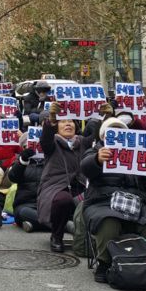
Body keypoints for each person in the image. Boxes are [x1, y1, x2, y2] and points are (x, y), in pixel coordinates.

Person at [81, 117, 146, 283]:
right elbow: (85, 167)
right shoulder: (96, 151)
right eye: (111, 132)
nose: (116, 136)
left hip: (135, 203)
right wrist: (97, 160)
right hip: (102, 202)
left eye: (120, 132)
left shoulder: (138, 153)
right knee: (108, 221)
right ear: (103, 136)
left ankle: (145, 260)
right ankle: (105, 263)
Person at [37, 103, 93, 252]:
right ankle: (56, 236)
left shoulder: (82, 142)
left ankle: (87, 237)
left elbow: (99, 135)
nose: (68, 123)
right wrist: (51, 121)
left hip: (81, 185)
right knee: (63, 200)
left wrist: (105, 116)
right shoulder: (52, 143)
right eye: (63, 121)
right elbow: (45, 139)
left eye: (70, 121)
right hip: (56, 186)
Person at [8, 132, 45, 232]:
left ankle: (35, 224)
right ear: (23, 148)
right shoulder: (19, 161)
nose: (32, 149)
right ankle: (61, 226)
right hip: (25, 204)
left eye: (36, 145)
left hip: (46, 204)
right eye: (27, 146)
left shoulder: (50, 161)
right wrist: (23, 161)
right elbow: (12, 177)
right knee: (24, 213)